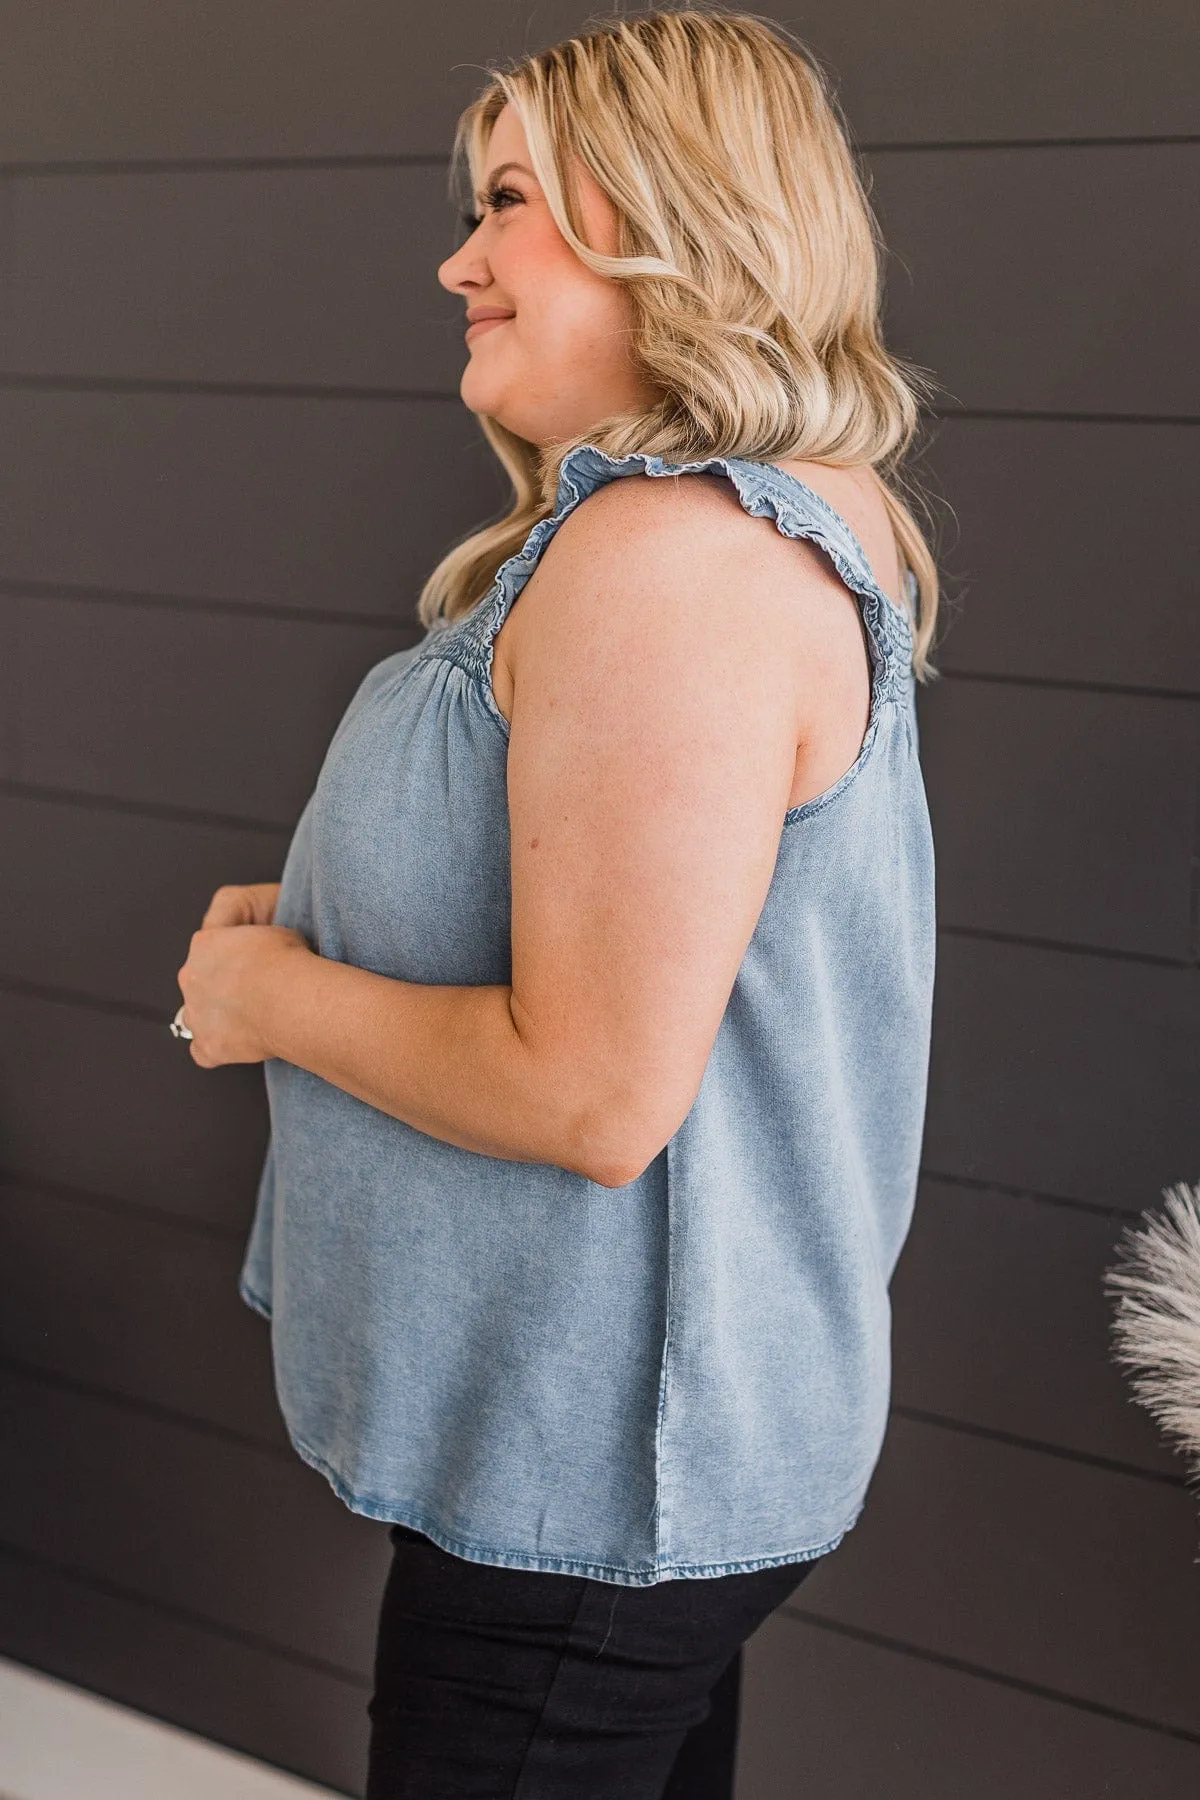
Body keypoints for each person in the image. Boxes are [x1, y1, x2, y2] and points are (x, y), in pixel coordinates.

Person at [172, 10, 940, 1794]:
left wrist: (273, 996)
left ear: (669, 220)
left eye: (507, 200)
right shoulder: (765, 526)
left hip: (593, 1476)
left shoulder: (675, 562)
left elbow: (594, 1092)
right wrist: (332, 910)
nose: (460, 257)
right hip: (619, 1464)